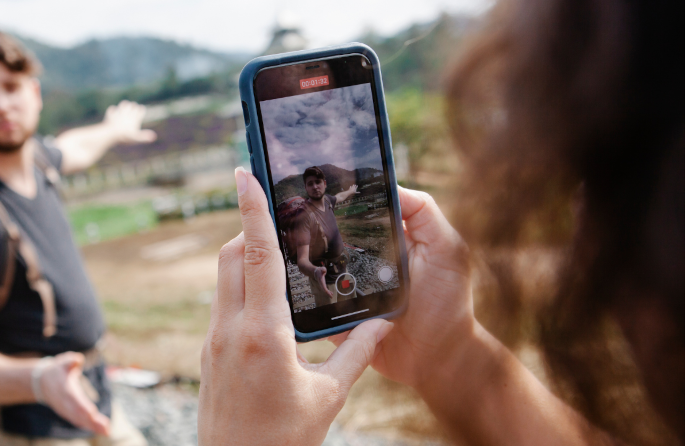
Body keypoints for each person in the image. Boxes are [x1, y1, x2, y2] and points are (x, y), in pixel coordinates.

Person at [198, 0, 683, 444]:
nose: (579, 231)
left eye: (596, 183)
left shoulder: (330, 197)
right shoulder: (306, 203)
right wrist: (450, 349)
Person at [0, 30, 155, 446]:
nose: (2, 104)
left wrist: (114, 128)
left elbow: (77, 146)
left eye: (11, 87)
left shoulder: (40, 159)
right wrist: (41, 380)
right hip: (32, 429)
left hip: (95, 398)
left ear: (35, 94)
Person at [292, 166, 358, 306]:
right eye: (310, 184)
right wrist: (315, 272)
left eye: (318, 182)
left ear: (325, 184)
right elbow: (302, 260)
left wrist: (350, 191)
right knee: (331, 318)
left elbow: (339, 197)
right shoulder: (304, 215)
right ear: (306, 187)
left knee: (350, 309)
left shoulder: (328, 200)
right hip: (325, 279)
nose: (315, 186)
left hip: (343, 271)